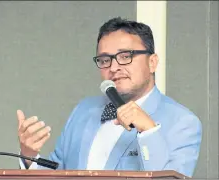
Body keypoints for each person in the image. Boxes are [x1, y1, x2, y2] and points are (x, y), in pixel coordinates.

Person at [17, 17, 202, 177]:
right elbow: (57, 172)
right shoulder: (84, 110)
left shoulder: (183, 123)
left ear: (152, 62)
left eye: (125, 56)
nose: (113, 68)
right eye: (105, 60)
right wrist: (29, 156)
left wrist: (148, 132)